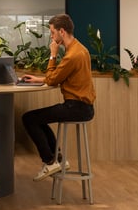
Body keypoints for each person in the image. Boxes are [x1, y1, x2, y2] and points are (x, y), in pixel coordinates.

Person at [22, 13, 96, 182]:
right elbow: (60, 77)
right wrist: (39, 79)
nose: (51, 36)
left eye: (53, 33)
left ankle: (50, 161)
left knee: (29, 118)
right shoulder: (80, 49)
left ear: (62, 31)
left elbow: (53, 79)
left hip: (76, 108)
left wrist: (53, 54)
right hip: (83, 107)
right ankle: (58, 159)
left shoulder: (71, 56)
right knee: (38, 119)